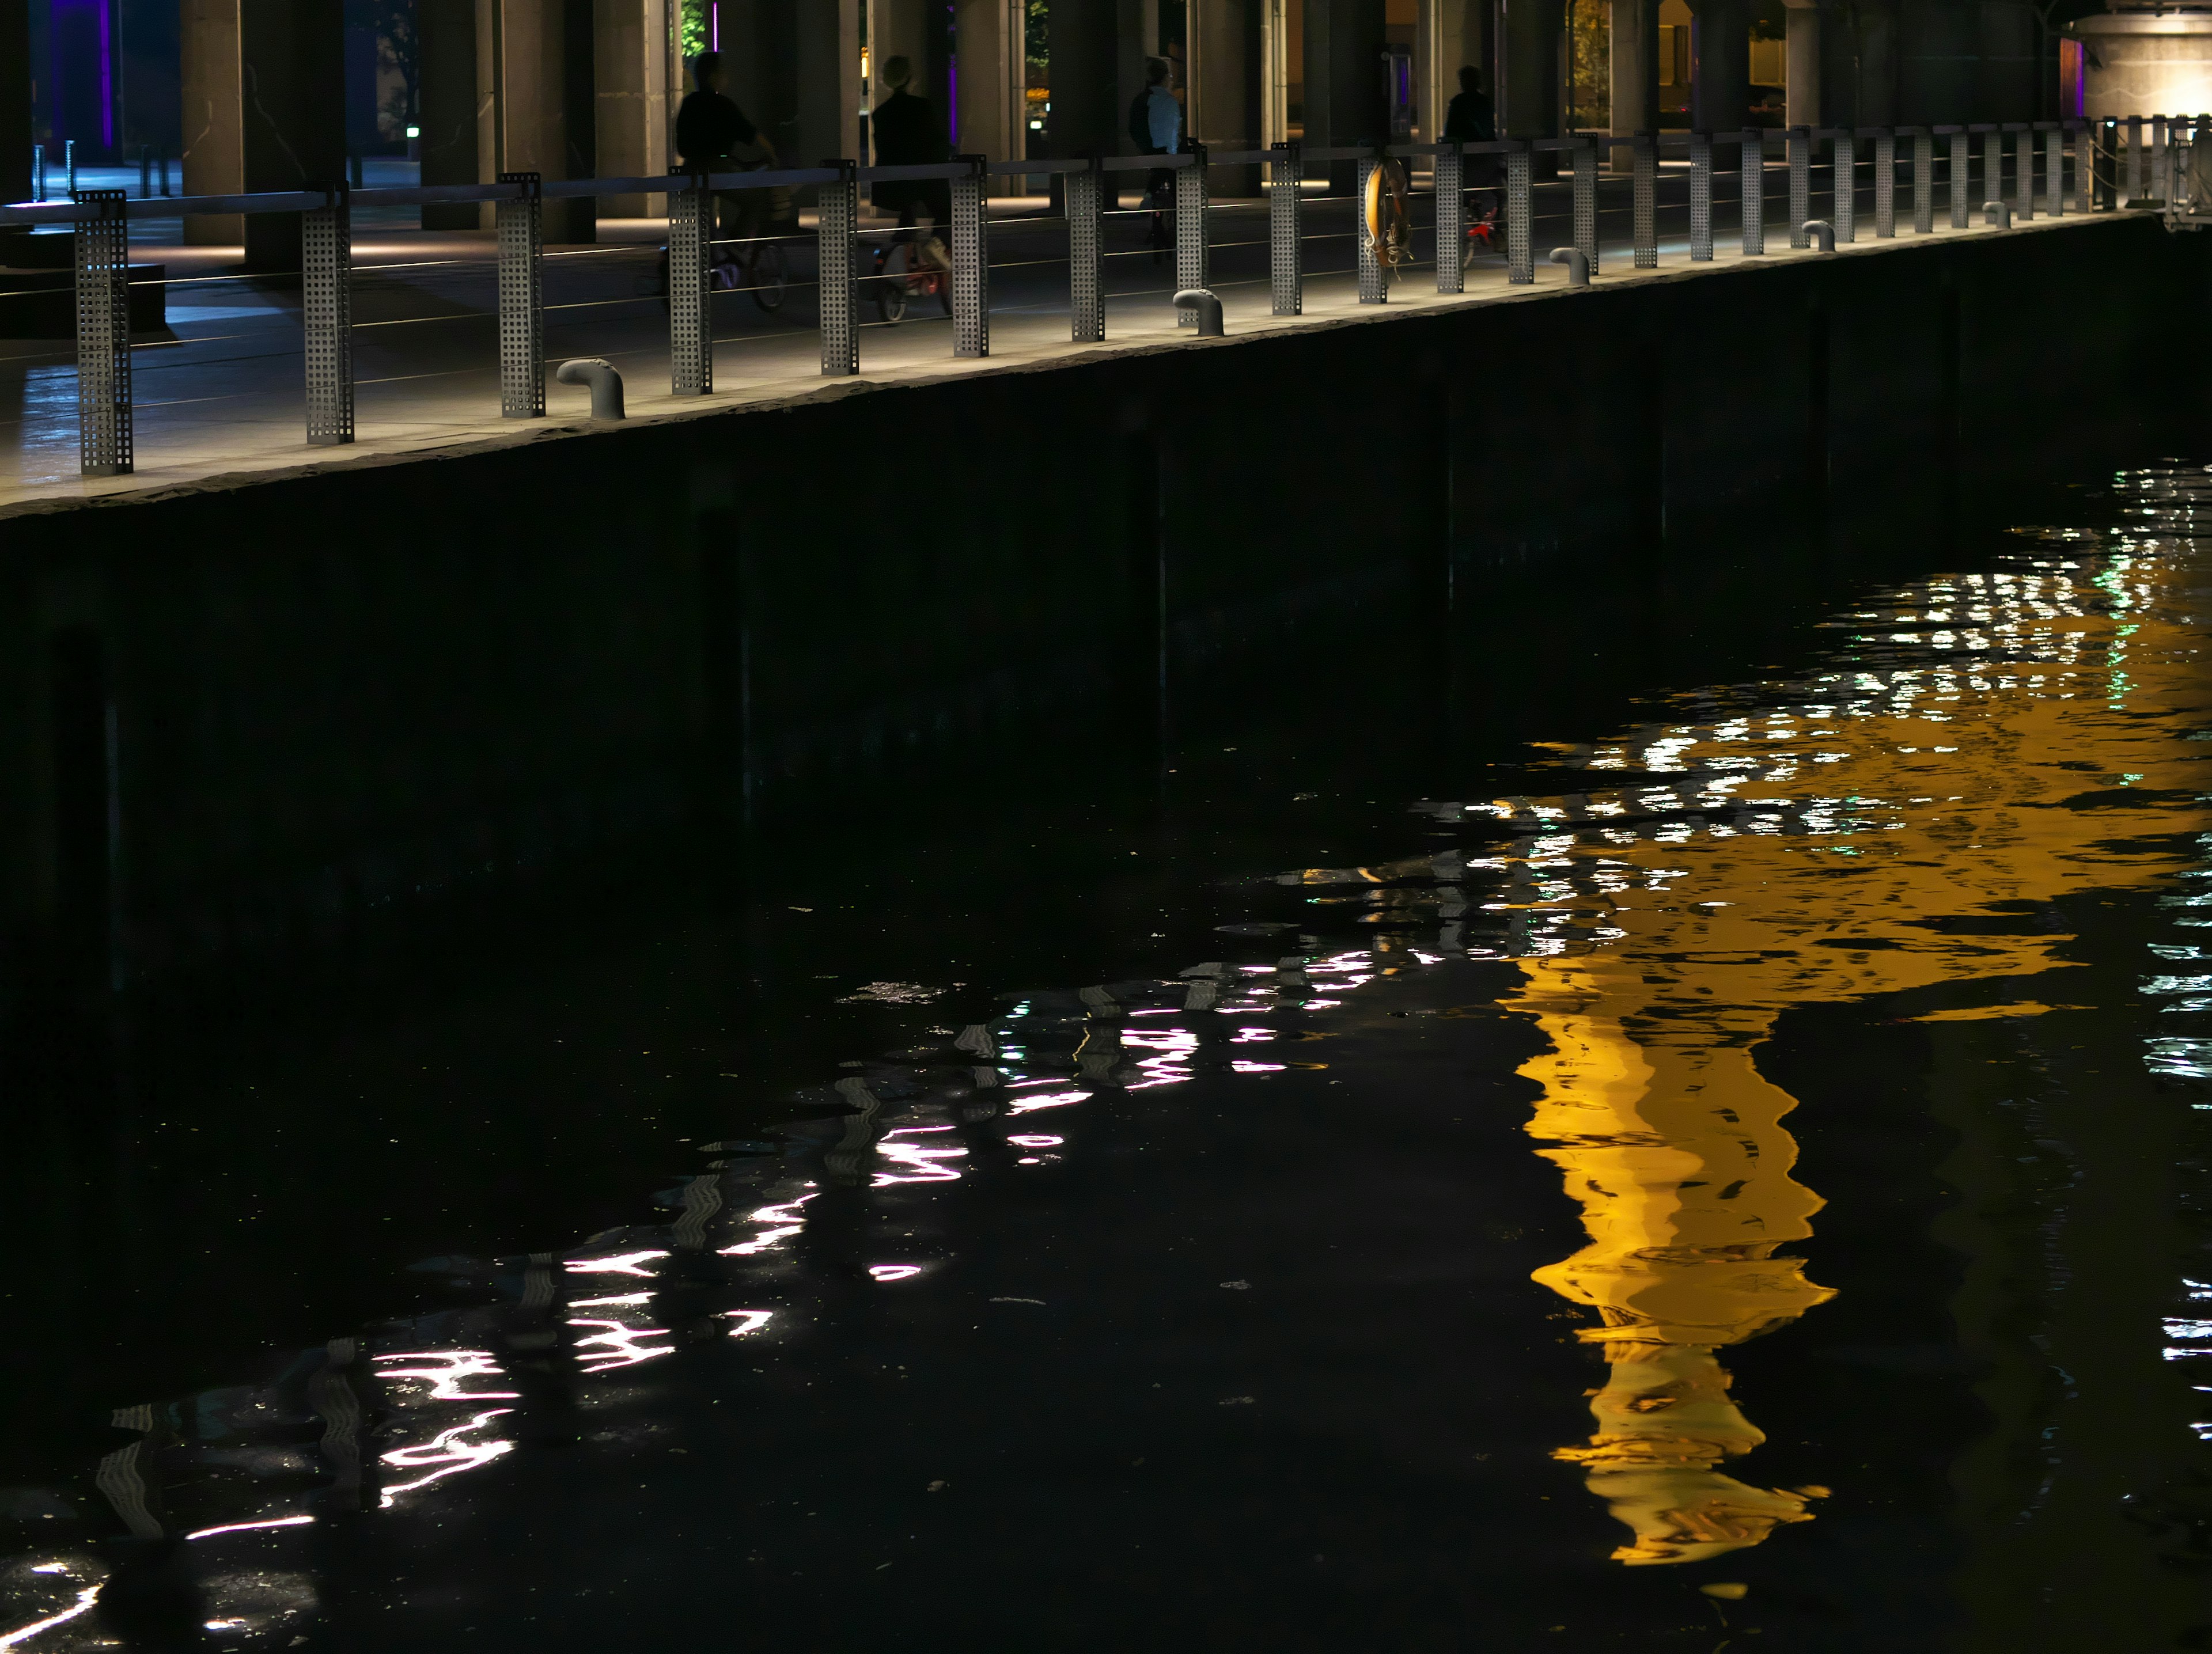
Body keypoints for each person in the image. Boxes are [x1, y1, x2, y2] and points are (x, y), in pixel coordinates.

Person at [676, 52, 784, 242]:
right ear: (713, 76)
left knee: (702, 216)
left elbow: (682, 144)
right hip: (719, 168)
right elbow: (752, 135)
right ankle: (737, 244)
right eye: (723, 71)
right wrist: (772, 155)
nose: (727, 76)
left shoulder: (689, 103)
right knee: (756, 199)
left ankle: (707, 251)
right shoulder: (724, 105)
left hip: (691, 169)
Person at [869, 56, 952, 272]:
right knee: (947, 212)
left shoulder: (881, 113)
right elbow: (938, 142)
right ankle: (937, 245)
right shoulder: (922, 107)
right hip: (924, 176)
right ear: (909, 79)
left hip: (892, 180)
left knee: (907, 214)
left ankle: (899, 255)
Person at [1443, 65, 1500, 223]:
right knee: (1487, 190)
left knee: (1460, 191)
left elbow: (1450, 131)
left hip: (1463, 155)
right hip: (1485, 154)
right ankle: (1489, 225)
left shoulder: (1458, 102)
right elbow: (1488, 129)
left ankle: (1466, 223)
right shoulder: (1484, 102)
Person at [1132, 55, 1183, 213]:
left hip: (1148, 149)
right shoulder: (1169, 101)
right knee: (1173, 181)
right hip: (1167, 151)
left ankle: (1149, 197)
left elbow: (1134, 127)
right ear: (1165, 77)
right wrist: (1174, 153)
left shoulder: (1141, 99)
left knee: (1158, 173)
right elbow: (1174, 130)